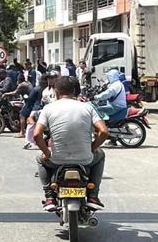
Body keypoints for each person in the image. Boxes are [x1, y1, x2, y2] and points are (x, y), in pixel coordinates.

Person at [34, 75, 107, 212]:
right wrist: (92, 148)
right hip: (85, 159)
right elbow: (103, 131)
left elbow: (37, 134)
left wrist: (47, 153)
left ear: (56, 91)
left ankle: (49, 195)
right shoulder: (87, 108)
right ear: (75, 91)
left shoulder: (48, 108)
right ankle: (93, 195)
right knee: (100, 155)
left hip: (57, 159)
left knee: (39, 158)